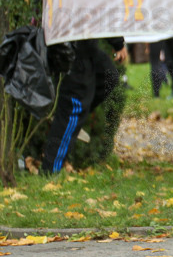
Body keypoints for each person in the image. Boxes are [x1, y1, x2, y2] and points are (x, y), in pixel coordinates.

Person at [42, 38, 127, 173]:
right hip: (71, 51)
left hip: (86, 48)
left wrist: (117, 44)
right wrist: (118, 44)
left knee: (109, 76)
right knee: (74, 107)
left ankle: (74, 120)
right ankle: (50, 171)